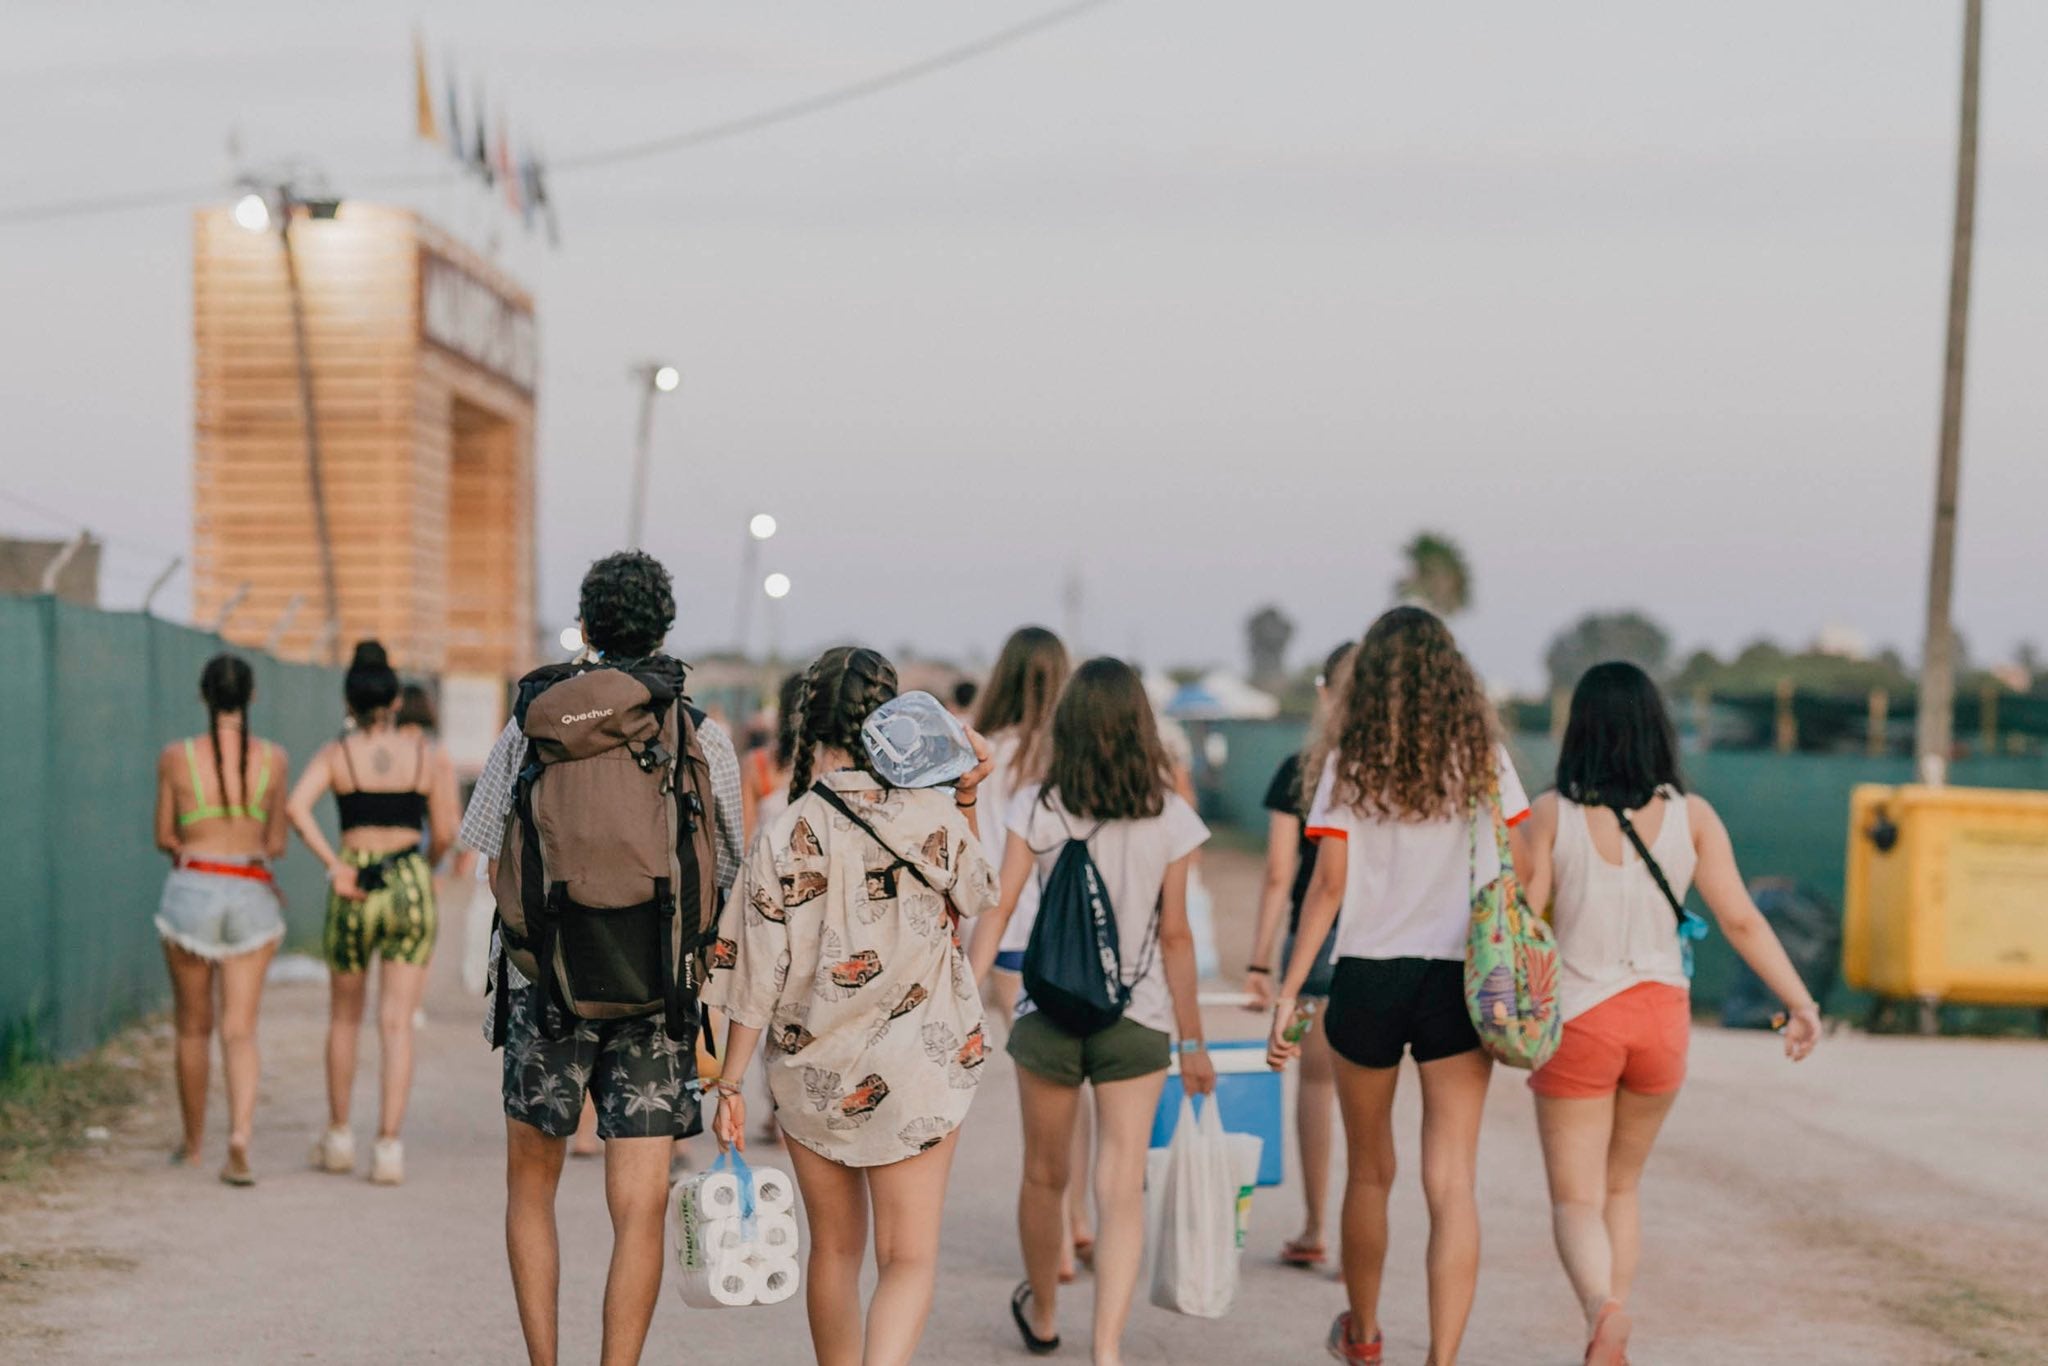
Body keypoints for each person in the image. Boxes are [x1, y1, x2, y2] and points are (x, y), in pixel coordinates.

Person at [457, 550, 745, 1366]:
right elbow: (727, 869)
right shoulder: (701, 733)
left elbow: (488, 853)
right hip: (658, 990)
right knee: (640, 1207)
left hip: (545, 983)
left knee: (531, 1191)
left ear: (586, 628)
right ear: (664, 629)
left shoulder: (534, 722)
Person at [1518, 662, 1822, 1365]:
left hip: (1581, 1018)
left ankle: (1602, 1310)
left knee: (1575, 1199)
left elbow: (1522, 924)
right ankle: (1611, 1340)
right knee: (1623, 1185)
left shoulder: (1550, 814)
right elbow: (1742, 919)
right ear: (1657, 729)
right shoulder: (1693, 815)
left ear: (1580, 730)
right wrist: (1798, 1002)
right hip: (1661, 1023)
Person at [705, 646, 998, 1366]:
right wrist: (966, 795)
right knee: (908, 1257)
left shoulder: (786, 825)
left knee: (833, 1254)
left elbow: (752, 973)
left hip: (814, 1072)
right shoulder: (930, 814)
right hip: (923, 1066)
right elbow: (979, 895)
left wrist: (731, 1083)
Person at [1266, 607, 1531, 1366]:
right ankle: (1442, 1358)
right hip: (1459, 980)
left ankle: (1365, 1334)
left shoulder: (1350, 761)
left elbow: (1327, 889)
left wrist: (1289, 993)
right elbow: (1518, 851)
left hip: (1369, 977)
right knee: (1452, 1181)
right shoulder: (1483, 757)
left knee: (1370, 1172)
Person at [968, 657, 1216, 1366]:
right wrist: (1192, 1043)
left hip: (1048, 1014)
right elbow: (1176, 936)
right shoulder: (1171, 815)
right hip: (1137, 1022)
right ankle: (1106, 1347)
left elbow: (1002, 905)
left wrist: (965, 994)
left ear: (1069, 727)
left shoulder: (1039, 805)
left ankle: (1044, 1312)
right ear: (1141, 725)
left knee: (1045, 1175)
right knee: (1120, 1182)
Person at [285, 641, 459, 1186]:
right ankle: (388, 1146)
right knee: (396, 1023)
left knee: (344, 1017)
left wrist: (335, 863)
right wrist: (421, 866)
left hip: (355, 881)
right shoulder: (427, 756)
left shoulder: (337, 754)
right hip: (407, 878)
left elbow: (296, 807)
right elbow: (448, 832)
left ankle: (339, 1136)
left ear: (350, 700)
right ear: (392, 700)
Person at [971, 627, 1093, 1281]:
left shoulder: (976, 747)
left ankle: (1057, 1224)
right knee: (1068, 1091)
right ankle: (1073, 1223)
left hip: (984, 930)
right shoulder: (1063, 757)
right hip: (1047, 940)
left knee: (1031, 1094)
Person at [152, 654, 289, 1186]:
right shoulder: (273, 759)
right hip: (251, 893)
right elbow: (274, 843)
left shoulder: (175, 757)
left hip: (190, 888)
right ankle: (240, 1136)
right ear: (251, 697)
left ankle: (190, 1146)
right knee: (240, 1030)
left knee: (192, 1027)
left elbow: (164, 834)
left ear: (202, 695)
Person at [1242, 640, 1354, 1268]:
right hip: (1385, 947)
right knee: (1370, 1091)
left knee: (1315, 1084)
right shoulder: (1404, 767)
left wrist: (1261, 964)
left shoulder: (1304, 768)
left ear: (1324, 692)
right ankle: (1363, 1225)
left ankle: (1316, 1226)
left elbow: (1281, 873)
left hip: (1315, 953)